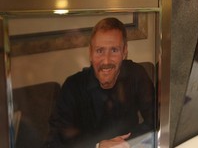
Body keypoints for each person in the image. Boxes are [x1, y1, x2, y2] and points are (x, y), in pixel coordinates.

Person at [44, 17, 155, 148]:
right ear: (90, 53)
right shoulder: (72, 87)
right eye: (100, 51)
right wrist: (98, 146)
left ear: (125, 51)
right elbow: (53, 143)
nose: (106, 61)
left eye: (114, 50)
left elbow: (155, 120)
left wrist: (127, 143)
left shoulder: (136, 74)